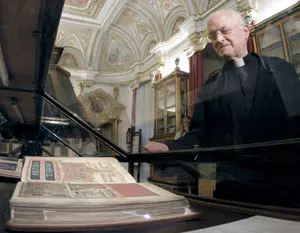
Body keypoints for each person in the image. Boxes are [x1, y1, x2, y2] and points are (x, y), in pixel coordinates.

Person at [144, 8, 300, 152]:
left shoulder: (280, 69)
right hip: (232, 175)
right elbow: (199, 135)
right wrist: (168, 147)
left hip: (282, 172)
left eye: (225, 31)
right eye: (212, 36)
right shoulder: (210, 87)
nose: (218, 39)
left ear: (245, 31)